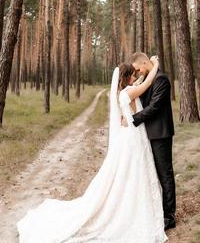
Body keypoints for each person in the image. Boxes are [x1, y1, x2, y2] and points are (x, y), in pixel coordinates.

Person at [17, 56, 168, 243]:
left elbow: (140, 84)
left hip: (132, 136)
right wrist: (156, 65)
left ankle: (137, 204)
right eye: (133, 74)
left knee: (132, 172)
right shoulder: (129, 92)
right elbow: (145, 84)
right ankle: (134, 207)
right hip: (132, 138)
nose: (136, 76)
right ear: (127, 77)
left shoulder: (124, 92)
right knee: (134, 171)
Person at [122, 52, 176, 231]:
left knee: (165, 174)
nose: (137, 73)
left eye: (138, 69)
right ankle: (156, 210)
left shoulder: (162, 80)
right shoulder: (147, 78)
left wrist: (132, 119)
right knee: (152, 174)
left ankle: (169, 216)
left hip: (160, 133)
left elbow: (154, 107)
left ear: (145, 63)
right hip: (147, 134)